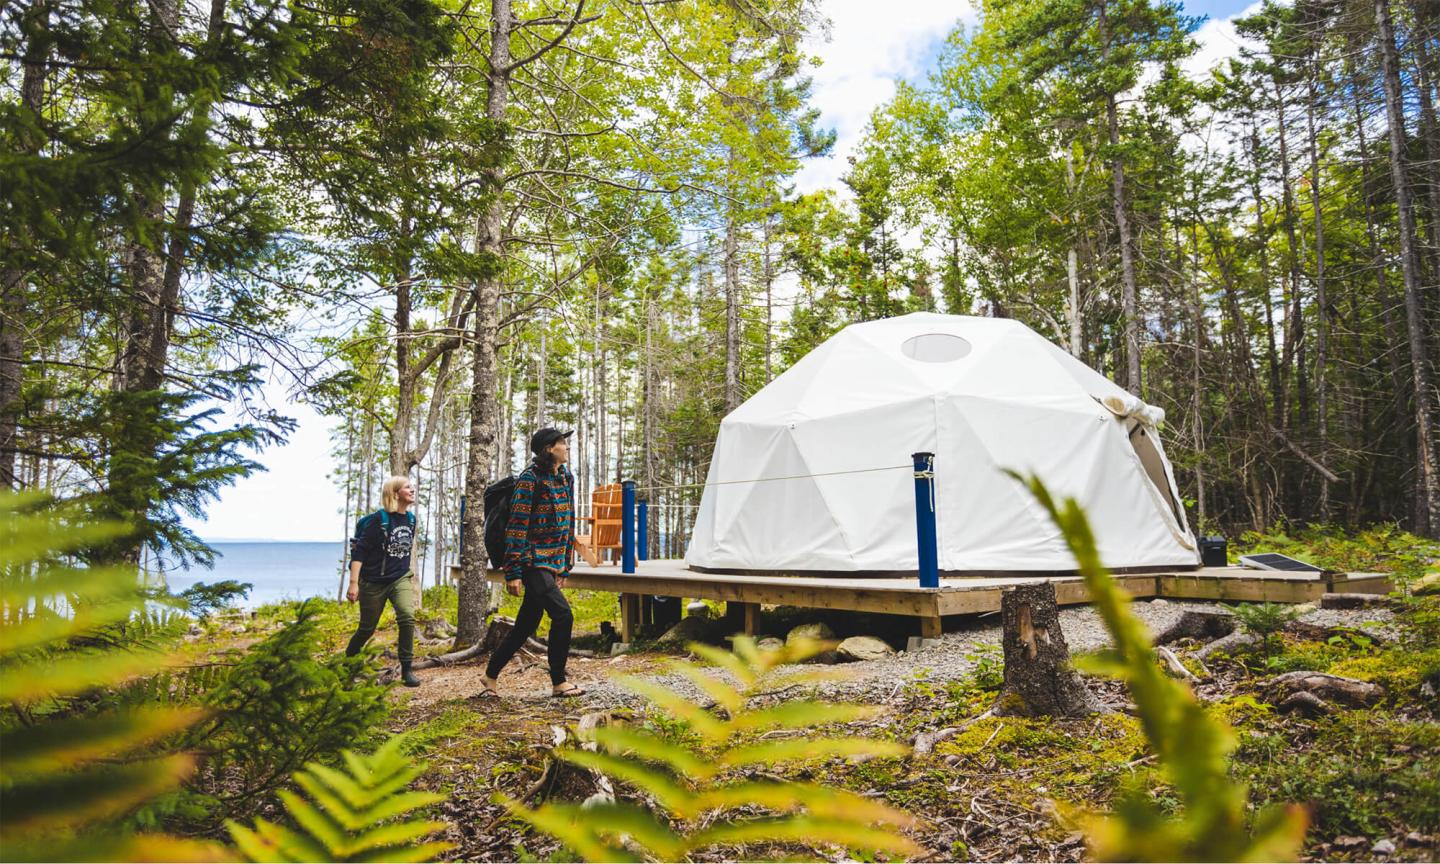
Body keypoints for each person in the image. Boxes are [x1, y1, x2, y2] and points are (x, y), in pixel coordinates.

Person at [479, 427, 583, 699]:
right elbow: (517, 527)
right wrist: (512, 572)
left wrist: (564, 566)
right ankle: (559, 682)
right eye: (563, 443)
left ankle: (489, 676)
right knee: (563, 615)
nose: (567, 447)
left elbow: (567, 522)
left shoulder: (565, 477)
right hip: (531, 561)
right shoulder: (529, 479)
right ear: (550, 448)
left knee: (525, 626)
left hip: (552, 561)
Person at [345, 475, 421, 687]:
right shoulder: (378, 521)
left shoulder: (411, 519)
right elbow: (359, 553)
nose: (412, 490)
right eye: (408, 487)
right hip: (373, 582)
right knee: (366, 629)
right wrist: (353, 583)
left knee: (407, 617)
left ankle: (407, 669)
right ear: (395, 493)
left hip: (399, 578)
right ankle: (348, 666)